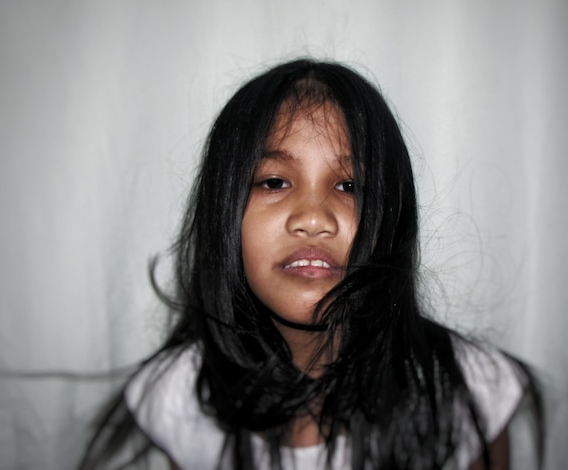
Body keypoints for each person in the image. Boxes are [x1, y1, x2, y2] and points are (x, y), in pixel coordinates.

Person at [81, 59, 541, 469]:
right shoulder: (180, 400)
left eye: (350, 187)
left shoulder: (467, 391)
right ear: (224, 213)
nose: (314, 219)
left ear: (392, 220)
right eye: (275, 181)